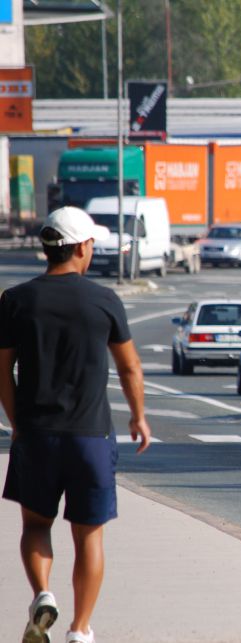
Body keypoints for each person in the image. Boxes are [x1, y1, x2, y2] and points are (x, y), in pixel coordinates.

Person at [0, 206, 151, 643]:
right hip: (91, 437)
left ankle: (43, 593)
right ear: (82, 248)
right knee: (89, 535)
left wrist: (17, 422)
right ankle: (80, 630)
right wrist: (138, 416)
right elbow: (130, 369)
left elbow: (2, 370)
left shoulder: (15, 300)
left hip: (37, 436)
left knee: (35, 526)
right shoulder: (104, 300)